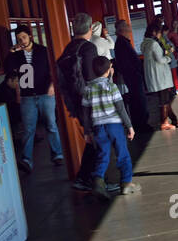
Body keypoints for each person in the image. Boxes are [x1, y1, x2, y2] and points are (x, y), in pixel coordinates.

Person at [80, 55, 141, 199]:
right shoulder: (112, 87)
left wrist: (87, 132)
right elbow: (120, 109)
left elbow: (85, 113)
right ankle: (126, 183)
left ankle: (98, 183)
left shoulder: (88, 89)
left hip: (98, 127)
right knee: (122, 154)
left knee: (103, 155)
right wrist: (130, 126)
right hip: (114, 126)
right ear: (108, 70)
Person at [56, 13, 100, 192]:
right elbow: (91, 76)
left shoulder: (68, 49)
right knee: (99, 138)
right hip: (90, 100)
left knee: (93, 138)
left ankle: (86, 177)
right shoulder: (88, 48)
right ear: (90, 29)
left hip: (75, 101)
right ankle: (91, 178)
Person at [8, 26, 63, 171]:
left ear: (30, 37)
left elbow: (53, 69)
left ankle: (57, 154)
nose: (22, 41)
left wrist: (52, 85)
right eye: (19, 39)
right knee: (28, 129)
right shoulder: (16, 55)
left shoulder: (43, 51)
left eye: (24, 38)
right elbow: (7, 69)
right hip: (27, 96)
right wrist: (12, 53)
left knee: (51, 124)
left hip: (45, 93)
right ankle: (27, 160)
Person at [113, 19, 151, 131]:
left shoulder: (123, 42)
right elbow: (125, 63)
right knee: (138, 99)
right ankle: (141, 124)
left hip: (133, 76)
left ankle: (140, 123)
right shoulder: (121, 43)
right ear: (122, 29)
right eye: (126, 25)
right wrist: (135, 72)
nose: (129, 27)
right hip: (132, 77)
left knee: (137, 99)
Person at [142, 19, 177, 131]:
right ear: (154, 32)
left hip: (153, 76)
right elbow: (160, 59)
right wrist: (168, 57)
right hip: (160, 76)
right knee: (164, 100)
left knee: (165, 99)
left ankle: (174, 119)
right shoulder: (154, 44)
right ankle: (164, 122)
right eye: (159, 32)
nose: (160, 34)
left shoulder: (144, 43)